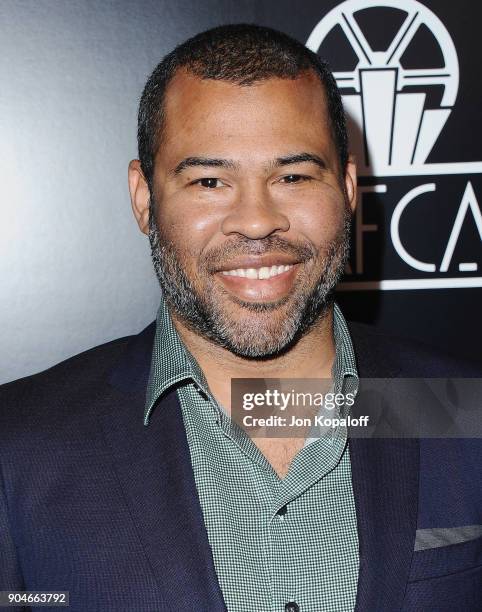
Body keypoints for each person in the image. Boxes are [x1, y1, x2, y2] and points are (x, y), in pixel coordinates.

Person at [1, 24, 480, 612]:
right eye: (209, 180)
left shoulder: (465, 411)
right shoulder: (17, 448)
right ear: (144, 199)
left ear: (349, 189)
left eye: (294, 176)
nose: (256, 221)